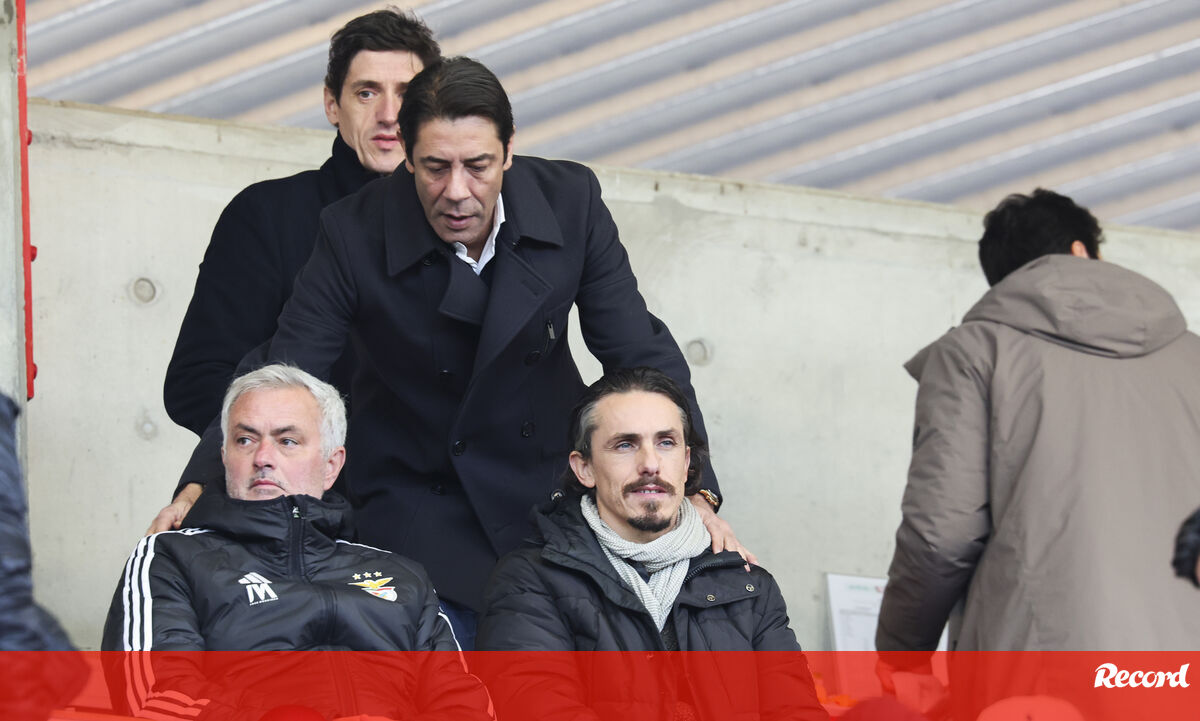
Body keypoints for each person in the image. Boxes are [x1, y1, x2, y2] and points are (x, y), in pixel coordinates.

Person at [153, 57, 745, 648]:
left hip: (546, 496)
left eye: (477, 166)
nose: (457, 192)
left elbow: (638, 353)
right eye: (435, 167)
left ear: (508, 150)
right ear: (408, 158)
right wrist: (201, 484)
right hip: (416, 508)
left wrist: (696, 490)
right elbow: (289, 369)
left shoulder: (572, 201)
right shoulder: (353, 231)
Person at [876, 189, 1200, 663]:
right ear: (1081, 250)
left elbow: (942, 536)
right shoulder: (1192, 357)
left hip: (1042, 668)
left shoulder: (974, 353)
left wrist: (901, 655)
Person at [104, 365, 492, 721]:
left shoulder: (403, 576)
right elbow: (156, 697)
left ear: (331, 465)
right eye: (245, 439)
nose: (263, 457)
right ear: (224, 457)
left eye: (287, 441)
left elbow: (464, 705)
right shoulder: (173, 557)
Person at [475, 367, 827, 721]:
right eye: (625, 445)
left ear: (686, 463)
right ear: (585, 469)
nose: (650, 464)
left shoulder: (749, 586)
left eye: (666, 443)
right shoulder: (529, 581)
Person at [162, 8, 440, 438]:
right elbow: (197, 380)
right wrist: (297, 452)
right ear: (332, 105)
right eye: (366, 93)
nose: (389, 114)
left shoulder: (465, 219)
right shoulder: (266, 214)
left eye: (406, 94)